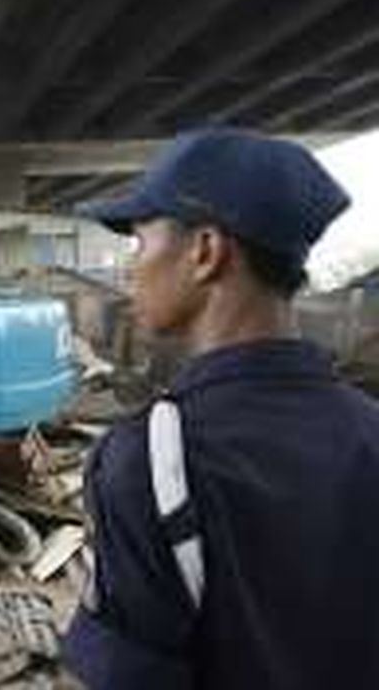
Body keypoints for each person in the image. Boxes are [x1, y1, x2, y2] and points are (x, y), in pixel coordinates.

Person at [63, 128, 379, 688]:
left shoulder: (151, 460)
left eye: (140, 241)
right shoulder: (367, 429)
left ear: (205, 252)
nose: (131, 267)